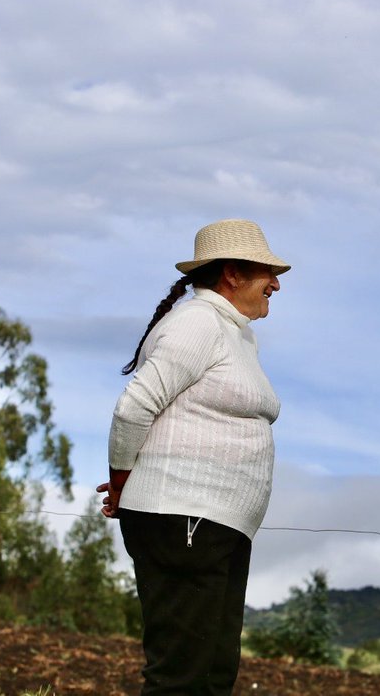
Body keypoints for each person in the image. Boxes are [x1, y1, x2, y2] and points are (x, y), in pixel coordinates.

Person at [98, 218, 290, 696]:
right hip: (183, 517)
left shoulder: (235, 334)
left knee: (212, 674)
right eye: (267, 271)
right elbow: (135, 406)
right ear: (231, 274)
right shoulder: (197, 322)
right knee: (181, 676)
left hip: (212, 524)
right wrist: (121, 480)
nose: (277, 283)